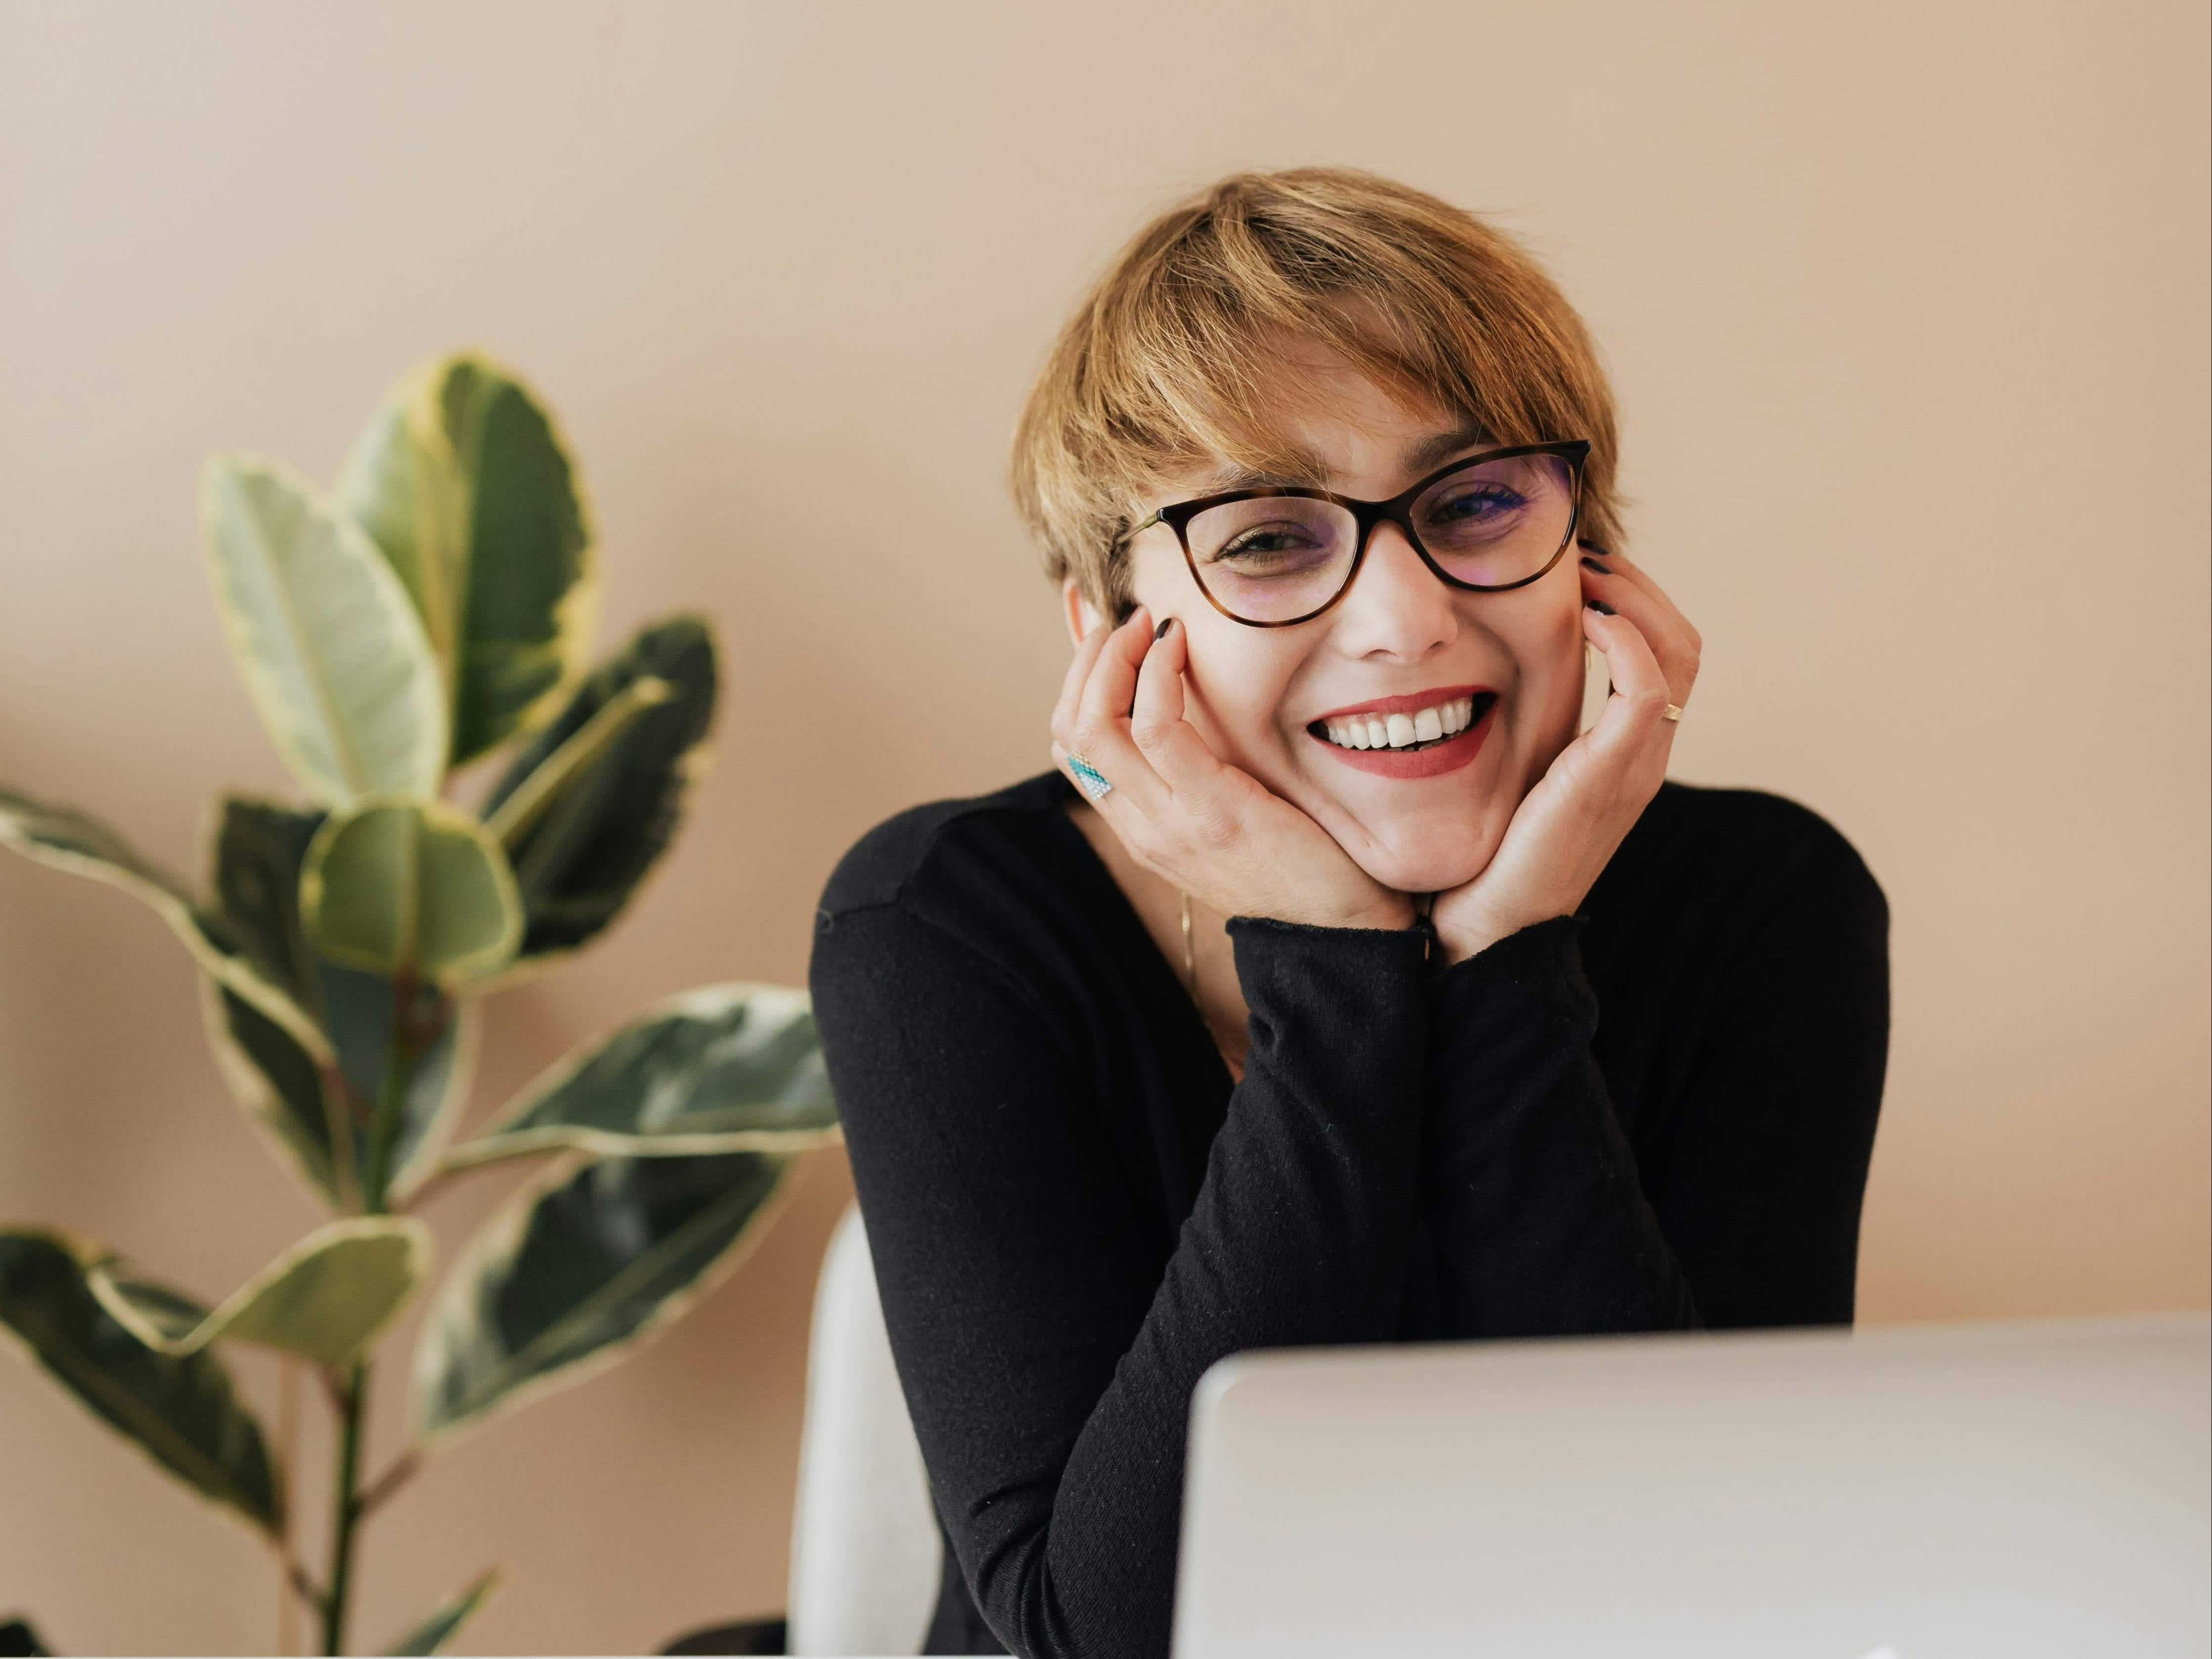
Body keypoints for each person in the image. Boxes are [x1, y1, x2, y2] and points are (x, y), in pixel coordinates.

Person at [807, 167, 1889, 1659]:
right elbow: (1100, 1632)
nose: (1402, 617)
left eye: (1477, 501)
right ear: (1112, 632)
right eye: (1266, 537)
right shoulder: (947, 924)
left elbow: (1717, 1587)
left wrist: (1508, 958)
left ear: (1592, 556)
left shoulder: (1766, 904)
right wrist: (1333, 958)